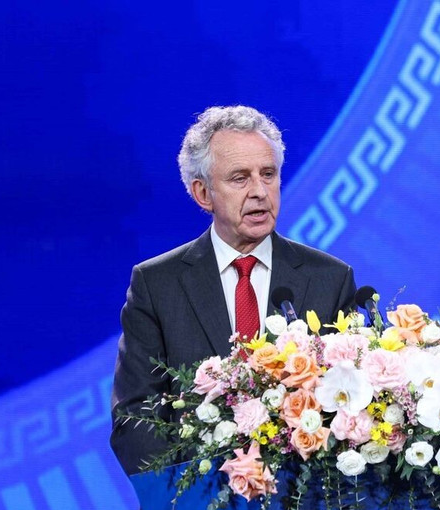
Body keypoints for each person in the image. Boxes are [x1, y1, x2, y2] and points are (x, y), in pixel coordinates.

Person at [110, 105, 356, 481]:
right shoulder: (157, 284)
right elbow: (134, 418)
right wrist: (215, 490)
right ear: (202, 193)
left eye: (268, 175)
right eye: (240, 178)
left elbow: (351, 406)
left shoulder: (329, 279)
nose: (259, 192)